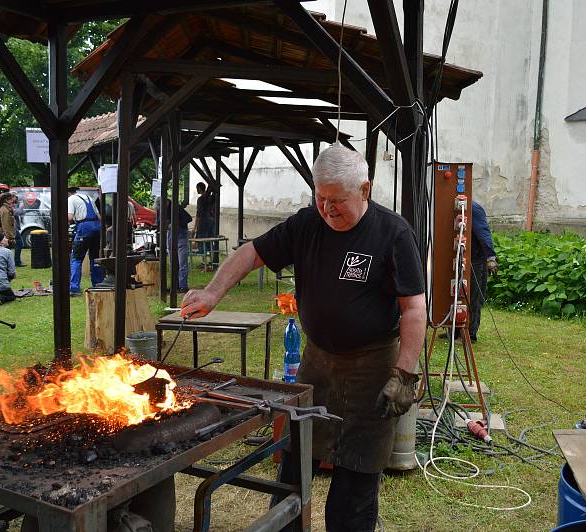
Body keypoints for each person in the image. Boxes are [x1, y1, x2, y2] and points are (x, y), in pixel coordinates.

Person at [180, 144, 427, 531]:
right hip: (317, 364)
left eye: (337, 200)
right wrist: (213, 292)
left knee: (356, 480)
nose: (327, 209)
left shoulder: (393, 233)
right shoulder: (306, 223)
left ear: (364, 190)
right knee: (295, 463)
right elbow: (252, 253)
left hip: (372, 367)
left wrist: (404, 374)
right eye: (320, 197)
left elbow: (414, 308)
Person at [468, 201, 498, 342]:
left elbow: (483, 232)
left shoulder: (473, 208)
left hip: (476, 259)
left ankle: (470, 333)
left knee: (474, 297)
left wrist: (490, 258)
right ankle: (454, 331)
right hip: (460, 257)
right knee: (456, 295)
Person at [67, 187, 104, 294]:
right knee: (95, 257)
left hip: (84, 228)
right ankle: (97, 283)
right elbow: (99, 217)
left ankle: (74, 288)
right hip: (97, 228)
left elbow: (69, 217)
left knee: (76, 258)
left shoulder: (71, 199)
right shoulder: (88, 197)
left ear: (68, 193)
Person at [156, 199, 191, 292]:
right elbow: (159, 222)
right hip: (171, 235)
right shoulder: (162, 209)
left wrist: (175, 224)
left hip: (181, 235)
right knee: (172, 262)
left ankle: (183, 286)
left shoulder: (176, 207)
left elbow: (188, 218)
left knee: (182, 262)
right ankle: (175, 285)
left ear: (166, 202)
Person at [193, 181, 218, 269]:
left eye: (197, 188)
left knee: (202, 243)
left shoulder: (200, 199)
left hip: (203, 223)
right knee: (211, 242)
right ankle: (211, 261)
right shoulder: (211, 198)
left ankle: (204, 262)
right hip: (211, 222)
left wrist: (195, 227)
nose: (196, 190)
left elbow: (199, 213)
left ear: (200, 188)